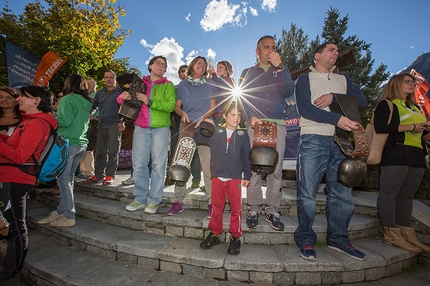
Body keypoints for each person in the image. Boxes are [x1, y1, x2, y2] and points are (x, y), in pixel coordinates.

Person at [294, 42, 367, 261]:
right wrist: (336, 118)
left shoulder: (344, 80)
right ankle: (306, 239)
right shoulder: (304, 79)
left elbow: (362, 101)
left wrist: (334, 98)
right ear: (317, 55)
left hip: (342, 141)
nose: (336, 53)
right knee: (307, 192)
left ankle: (338, 239)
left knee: (342, 193)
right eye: (331, 50)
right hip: (313, 138)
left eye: (337, 51)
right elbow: (305, 109)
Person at [0, 86, 57, 284]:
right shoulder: (28, 122)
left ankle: (10, 274)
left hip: (15, 180)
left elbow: (20, 156)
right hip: (9, 178)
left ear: (36, 101)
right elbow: (14, 144)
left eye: (24, 96)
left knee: (15, 227)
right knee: (13, 225)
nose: (19, 99)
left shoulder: (36, 125)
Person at [239, 35, 294, 231]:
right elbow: (242, 97)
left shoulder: (280, 70)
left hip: (278, 124)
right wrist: (250, 117)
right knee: (254, 168)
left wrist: (281, 68)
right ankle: (253, 208)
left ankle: (273, 210)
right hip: (255, 124)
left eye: (273, 47)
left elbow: (288, 91)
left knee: (276, 170)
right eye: (266, 47)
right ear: (258, 51)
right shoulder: (248, 72)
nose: (270, 51)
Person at [375, 72, 430, 253]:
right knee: (389, 193)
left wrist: (424, 130)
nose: (412, 84)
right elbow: (380, 126)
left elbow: (419, 131)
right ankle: (391, 233)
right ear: (397, 83)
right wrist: (411, 127)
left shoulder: (415, 107)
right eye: (408, 81)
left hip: (416, 154)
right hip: (396, 152)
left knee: (407, 195)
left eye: (413, 82)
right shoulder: (388, 104)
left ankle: (407, 234)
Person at [120, 56, 176, 214]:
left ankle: (154, 200)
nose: (161, 66)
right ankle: (139, 198)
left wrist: (149, 101)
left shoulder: (168, 85)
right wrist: (121, 97)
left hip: (161, 129)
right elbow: (123, 99)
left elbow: (170, 106)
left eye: (164, 65)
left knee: (158, 166)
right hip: (140, 128)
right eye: (158, 63)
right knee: (139, 165)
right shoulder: (139, 83)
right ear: (150, 65)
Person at [37, 75, 93, 227]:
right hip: (81, 144)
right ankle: (61, 210)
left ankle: (68, 214)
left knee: (63, 180)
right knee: (68, 180)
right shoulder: (87, 101)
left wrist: (49, 117)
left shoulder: (67, 99)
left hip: (68, 143)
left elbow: (64, 121)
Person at [197, 101, 251, 255]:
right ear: (225, 116)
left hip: (234, 177)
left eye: (239, 115)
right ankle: (215, 233)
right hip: (217, 176)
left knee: (236, 209)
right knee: (216, 207)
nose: (236, 118)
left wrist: (246, 175)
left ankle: (235, 236)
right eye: (233, 115)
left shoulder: (243, 134)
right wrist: (203, 124)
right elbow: (197, 136)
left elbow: (246, 157)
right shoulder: (215, 132)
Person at [167, 56, 216, 217]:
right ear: (192, 66)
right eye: (198, 63)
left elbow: (213, 108)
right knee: (181, 164)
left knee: (208, 167)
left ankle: (211, 203)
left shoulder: (210, 84)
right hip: (187, 127)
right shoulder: (183, 84)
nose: (201, 65)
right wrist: (182, 113)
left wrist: (204, 118)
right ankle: (179, 201)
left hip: (204, 127)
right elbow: (177, 107)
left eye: (204, 64)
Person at [83, 70, 123, 185]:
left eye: (111, 77)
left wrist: (122, 121)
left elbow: (125, 108)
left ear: (115, 79)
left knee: (113, 151)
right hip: (102, 124)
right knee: (100, 151)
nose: (109, 79)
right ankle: (98, 175)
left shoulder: (120, 92)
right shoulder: (100, 93)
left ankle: (110, 175)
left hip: (115, 124)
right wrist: (89, 113)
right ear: (104, 79)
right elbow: (94, 105)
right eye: (106, 77)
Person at [208, 60, 235, 125]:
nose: (218, 69)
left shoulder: (230, 80)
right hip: (213, 115)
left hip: (223, 115)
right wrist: (209, 76)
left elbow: (222, 84)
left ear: (227, 70)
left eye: (220, 67)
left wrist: (213, 74)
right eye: (217, 67)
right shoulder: (216, 80)